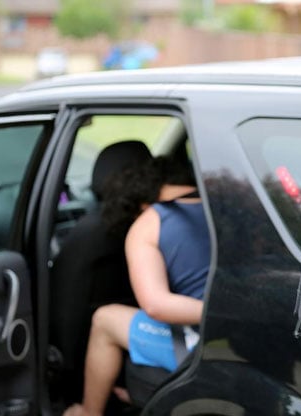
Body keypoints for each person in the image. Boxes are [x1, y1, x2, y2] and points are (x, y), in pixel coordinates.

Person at [64, 155, 211, 416]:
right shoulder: (229, 207)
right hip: (257, 334)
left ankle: (87, 412)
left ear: (138, 201)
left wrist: (224, 314)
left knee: (105, 320)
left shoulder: (150, 222)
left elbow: (156, 305)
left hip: (207, 342)